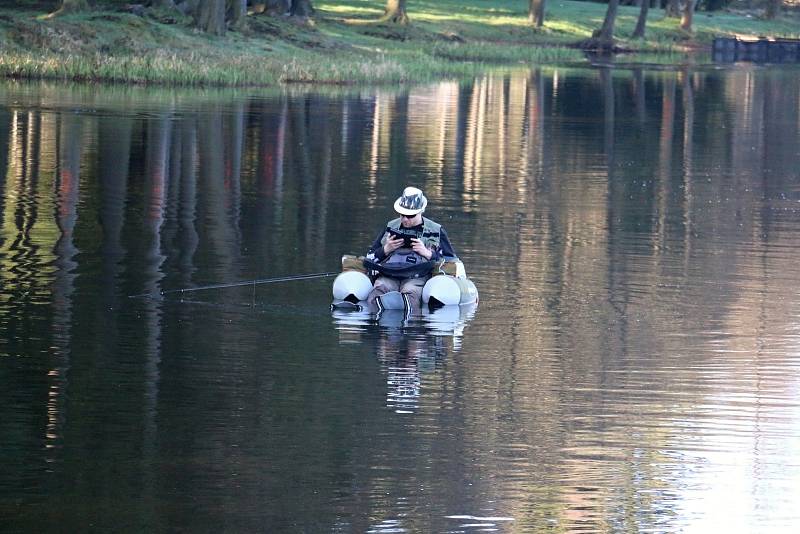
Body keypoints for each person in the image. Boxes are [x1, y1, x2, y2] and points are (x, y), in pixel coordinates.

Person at [365, 186, 456, 313]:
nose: (405, 219)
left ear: (421, 212)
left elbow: (451, 261)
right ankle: (375, 324)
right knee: (378, 291)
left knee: (410, 293)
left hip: (417, 277)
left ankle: (410, 328)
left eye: (410, 216)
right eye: (402, 215)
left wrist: (427, 253)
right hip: (388, 275)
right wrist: (385, 250)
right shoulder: (390, 227)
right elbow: (369, 257)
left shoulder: (436, 230)